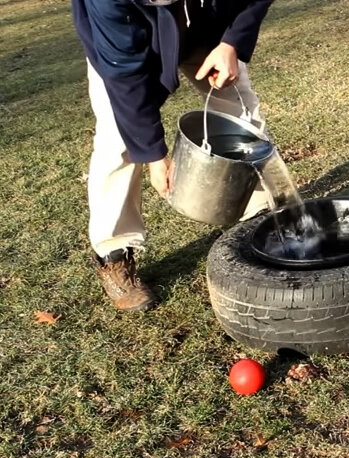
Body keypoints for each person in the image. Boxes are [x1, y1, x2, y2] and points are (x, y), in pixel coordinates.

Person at [72, 0, 275, 312]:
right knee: (118, 139)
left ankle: (260, 219)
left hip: (207, 23)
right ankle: (113, 251)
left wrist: (231, 41)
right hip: (127, 43)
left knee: (239, 112)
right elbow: (125, 77)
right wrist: (154, 154)